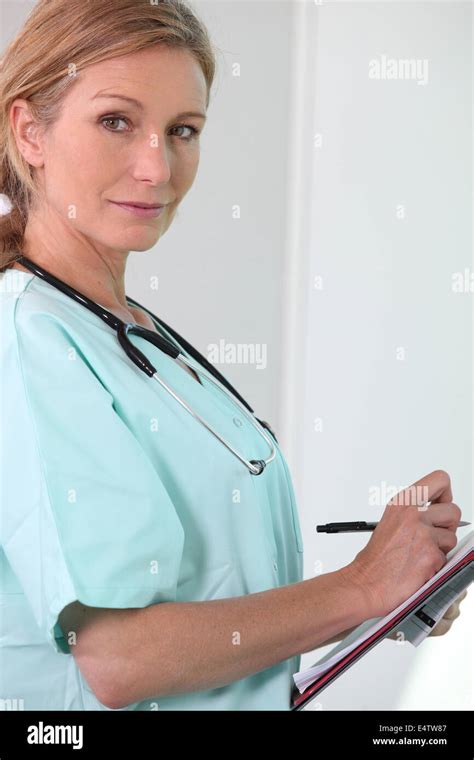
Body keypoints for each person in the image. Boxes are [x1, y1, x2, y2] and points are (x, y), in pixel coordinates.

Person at [0, 0, 467, 712]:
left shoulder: (126, 331)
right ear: (29, 130)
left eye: (182, 131)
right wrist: (362, 583)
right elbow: (121, 660)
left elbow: (212, 615)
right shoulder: (29, 337)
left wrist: (382, 600)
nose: (157, 166)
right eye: (116, 121)